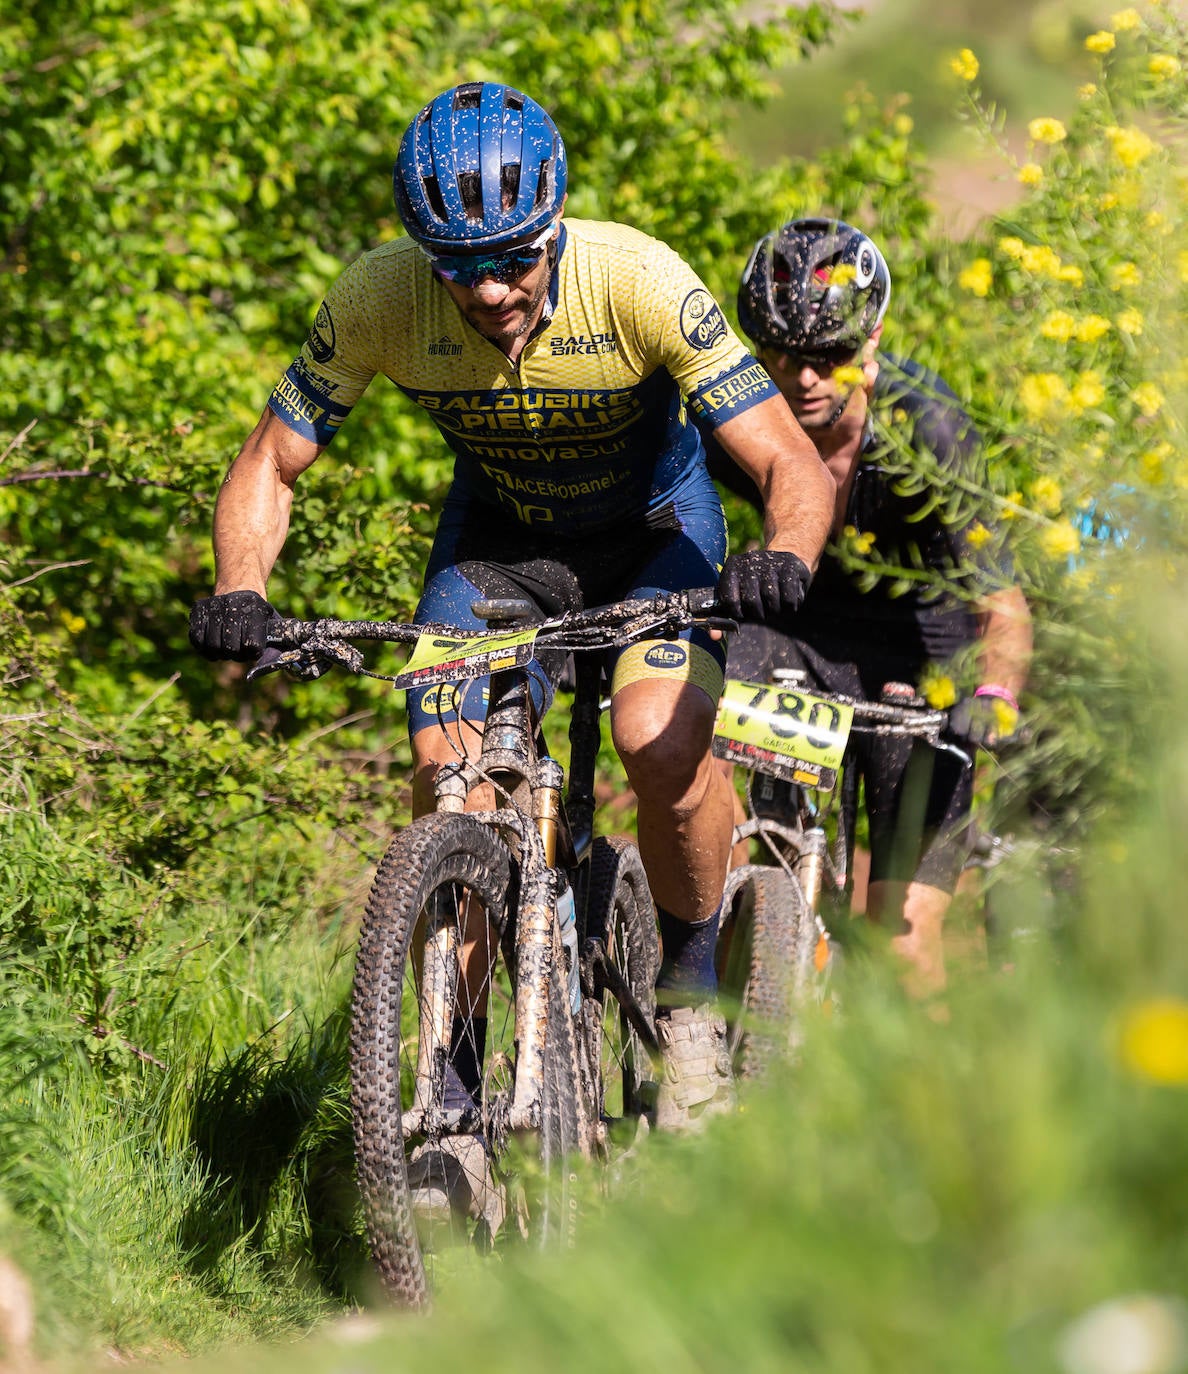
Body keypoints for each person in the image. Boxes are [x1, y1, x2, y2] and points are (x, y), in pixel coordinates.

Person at [189, 82, 834, 1132]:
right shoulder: (378, 298)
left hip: (655, 542)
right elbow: (271, 461)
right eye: (460, 267)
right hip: (500, 553)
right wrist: (239, 590)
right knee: (450, 778)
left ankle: (688, 1006)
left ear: (556, 227)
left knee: (656, 744)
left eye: (516, 258)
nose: (490, 291)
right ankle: (451, 1071)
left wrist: (787, 554)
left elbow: (785, 460)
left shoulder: (640, 280)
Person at [706, 216, 1032, 997]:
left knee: (902, 947)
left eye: (831, 358)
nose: (804, 379)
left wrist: (994, 696)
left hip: (924, 662)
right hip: (798, 644)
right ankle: (711, 1051)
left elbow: (1004, 605)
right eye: (781, 356)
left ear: (873, 341)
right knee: (761, 877)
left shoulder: (930, 427)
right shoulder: (734, 419)